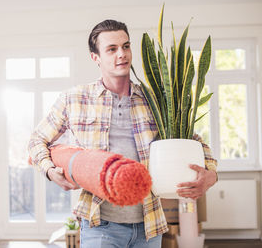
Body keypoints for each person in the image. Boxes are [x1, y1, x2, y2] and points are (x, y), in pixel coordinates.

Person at [28, 20, 218, 248]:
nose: (122, 54)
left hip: (149, 226)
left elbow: (193, 140)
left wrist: (212, 175)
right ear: (95, 57)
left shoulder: (154, 100)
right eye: (112, 49)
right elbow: (36, 140)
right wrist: (49, 171)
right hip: (100, 225)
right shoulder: (74, 99)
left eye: (126, 46)